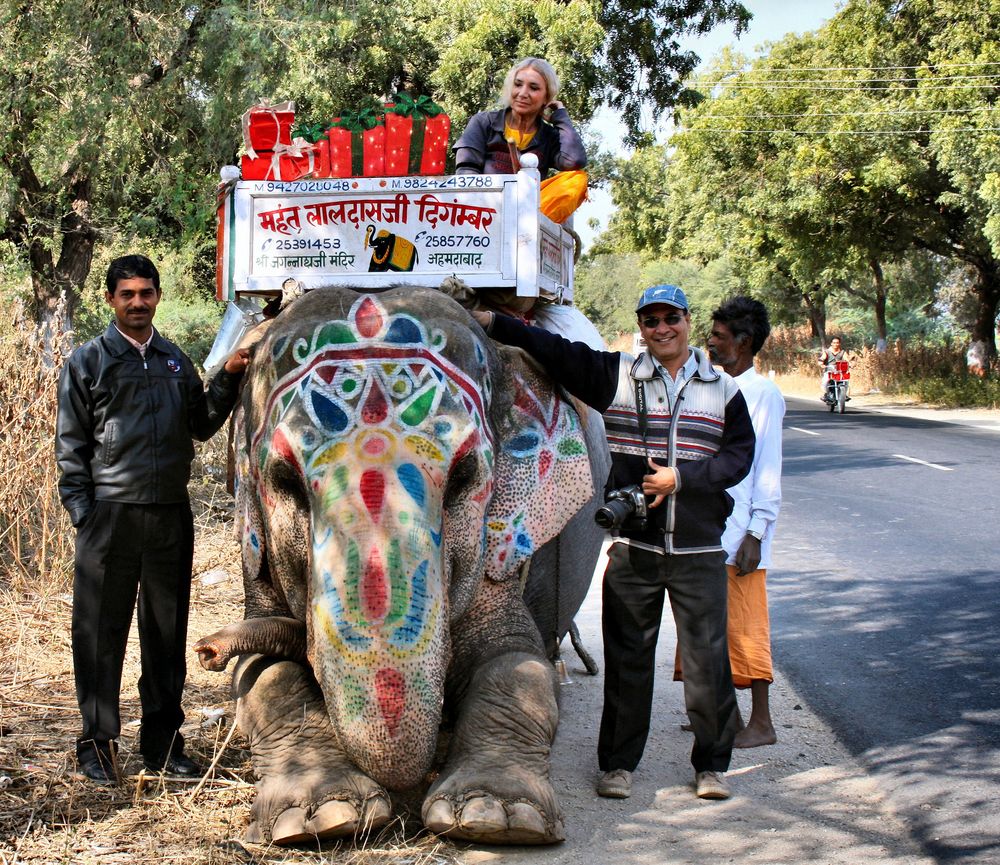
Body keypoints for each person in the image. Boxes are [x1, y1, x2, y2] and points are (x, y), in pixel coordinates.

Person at [470, 284, 755, 801]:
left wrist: (682, 480)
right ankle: (618, 766)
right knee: (628, 664)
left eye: (671, 318)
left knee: (707, 665)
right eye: (651, 320)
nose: (661, 328)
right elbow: (556, 353)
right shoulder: (618, 377)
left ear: (688, 321)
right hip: (636, 550)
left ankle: (711, 766)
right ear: (641, 327)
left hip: (699, 552)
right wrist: (494, 323)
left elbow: (739, 457)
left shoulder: (724, 391)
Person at [56, 254, 250, 784]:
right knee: (100, 635)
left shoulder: (173, 360)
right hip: (110, 517)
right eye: (128, 294)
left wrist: (228, 379)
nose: (138, 303)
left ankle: (164, 746)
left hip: (169, 515)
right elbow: (71, 446)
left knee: (165, 635)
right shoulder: (89, 362)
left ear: (158, 297)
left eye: (146, 293)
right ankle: (98, 746)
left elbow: (201, 424)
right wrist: (83, 513)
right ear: (110, 300)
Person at [674, 297, 784, 748]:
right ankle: (722, 715)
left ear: (743, 343)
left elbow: (768, 467)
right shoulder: (711, 385)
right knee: (705, 627)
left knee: (744, 627)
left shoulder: (763, 394)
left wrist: (757, 532)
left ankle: (762, 722)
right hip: (705, 524)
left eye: (719, 337)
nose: (710, 343)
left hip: (741, 533)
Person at [452, 56, 588, 223]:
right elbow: (466, 173)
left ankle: (528, 223)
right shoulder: (484, 122)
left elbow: (574, 161)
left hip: (528, 216)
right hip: (484, 212)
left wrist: (560, 116)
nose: (523, 93)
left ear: (546, 98)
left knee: (578, 179)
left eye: (534, 88)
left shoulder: (549, 135)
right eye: (518, 85)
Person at [819, 336, 846, 401]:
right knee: (825, 381)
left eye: (837, 343)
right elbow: (822, 358)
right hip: (829, 371)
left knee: (846, 381)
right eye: (834, 343)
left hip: (839, 371)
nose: (835, 344)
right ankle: (826, 394)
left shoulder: (843, 352)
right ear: (831, 343)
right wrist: (821, 364)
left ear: (839, 344)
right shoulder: (827, 352)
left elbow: (847, 359)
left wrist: (851, 363)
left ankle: (844, 394)